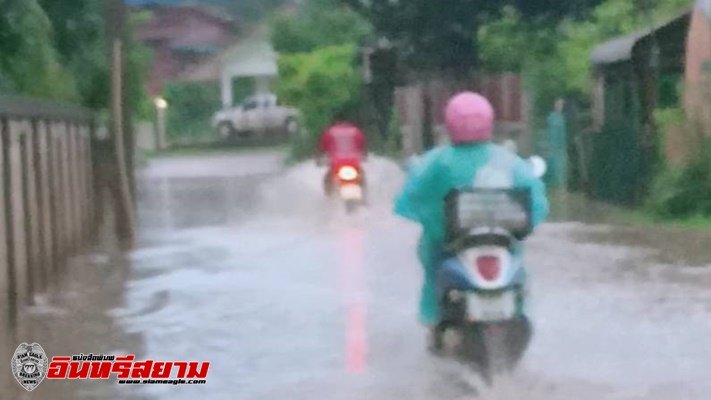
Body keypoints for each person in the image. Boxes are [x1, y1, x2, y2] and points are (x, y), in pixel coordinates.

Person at [392, 92, 549, 351]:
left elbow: (413, 198)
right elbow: (536, 205)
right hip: (502, 246)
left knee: (432, 264)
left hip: (449, 247)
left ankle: (434, 324)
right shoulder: (509, 162)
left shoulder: (436, 162)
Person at [317, 113, 368, 196]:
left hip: (336, 164)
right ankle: (364, 199)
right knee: (362, 178)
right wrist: (364, 156)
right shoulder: (356, 131)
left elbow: (323, 149)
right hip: (353, 163)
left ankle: (329, 199)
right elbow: (363, 148)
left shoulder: (329, 132)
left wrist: (319, 159)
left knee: (327, 179)